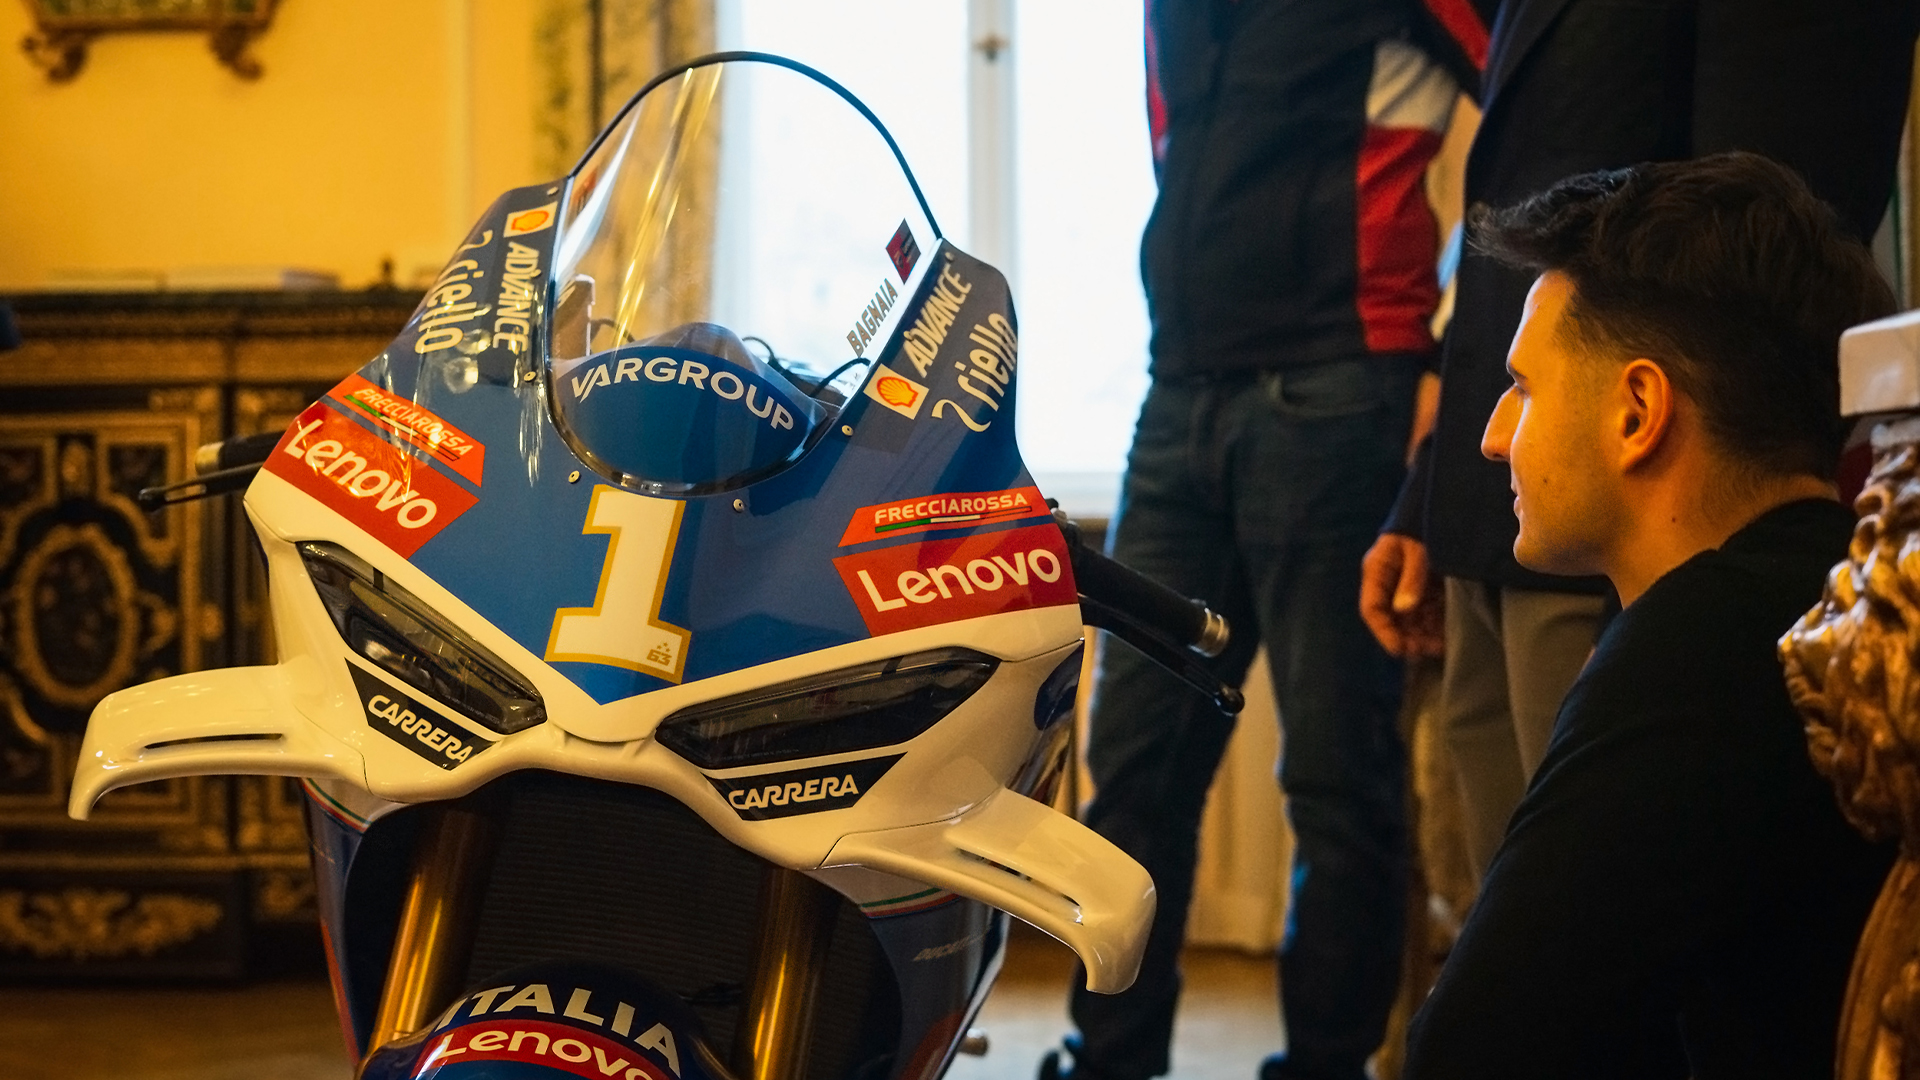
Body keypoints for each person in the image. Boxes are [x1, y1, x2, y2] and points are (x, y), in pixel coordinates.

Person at [1359, 0, 1919, 882]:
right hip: (1501, 505)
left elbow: (1766, 266)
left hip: (1628, 534)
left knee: (1606, 906)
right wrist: (1429, 495)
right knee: (1504, 910)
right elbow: (1513, 243)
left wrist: (1649, 615)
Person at [1041, 4, 1487, 1080]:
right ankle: (1108, 1062)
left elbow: (1535, 120)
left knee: (1335, 781)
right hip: (1176, 395)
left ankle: (1327, 1067)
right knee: (1132, 774)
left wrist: (1452, 356)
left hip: (1343, 390)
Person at [1400, 152, 1898, 1079]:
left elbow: (1471, 1052)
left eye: (1524, 387)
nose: (1494, 436)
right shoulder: (1856, 582)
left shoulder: (1694, 656)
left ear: (1638, 411)